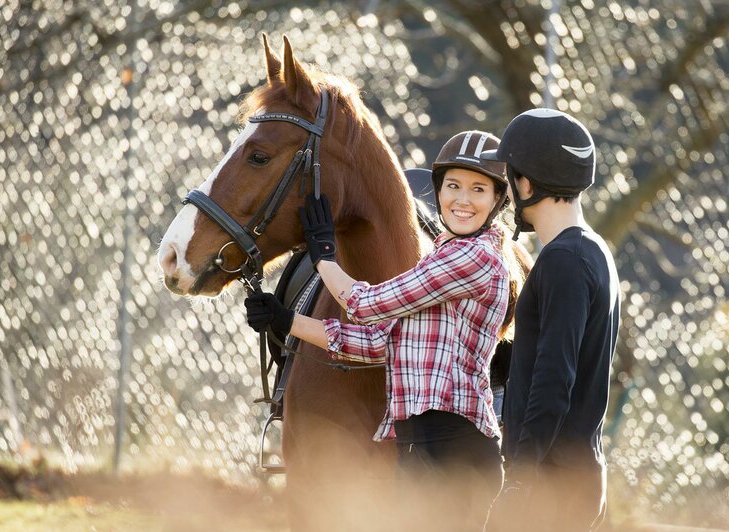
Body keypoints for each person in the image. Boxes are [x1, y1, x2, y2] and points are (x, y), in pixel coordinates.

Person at [244, 130, 525, 531]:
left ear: (498, 200)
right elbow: (381, 343)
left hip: (453, 451)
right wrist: (288, 322)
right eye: (453, 186)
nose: (463, 200)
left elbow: (367, 304)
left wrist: (325, 257)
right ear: (439, 190)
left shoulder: (474, 259)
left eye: (478, 189)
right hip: (419, 447)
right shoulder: (446, 255)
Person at [482, 109, 621, 532]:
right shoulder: (591, 252)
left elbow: (554, 377)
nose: (505, 188)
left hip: (549, 484)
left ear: (527, 183)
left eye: (509, 176)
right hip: (569, 477)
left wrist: (520, 480)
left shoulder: (563, 260)